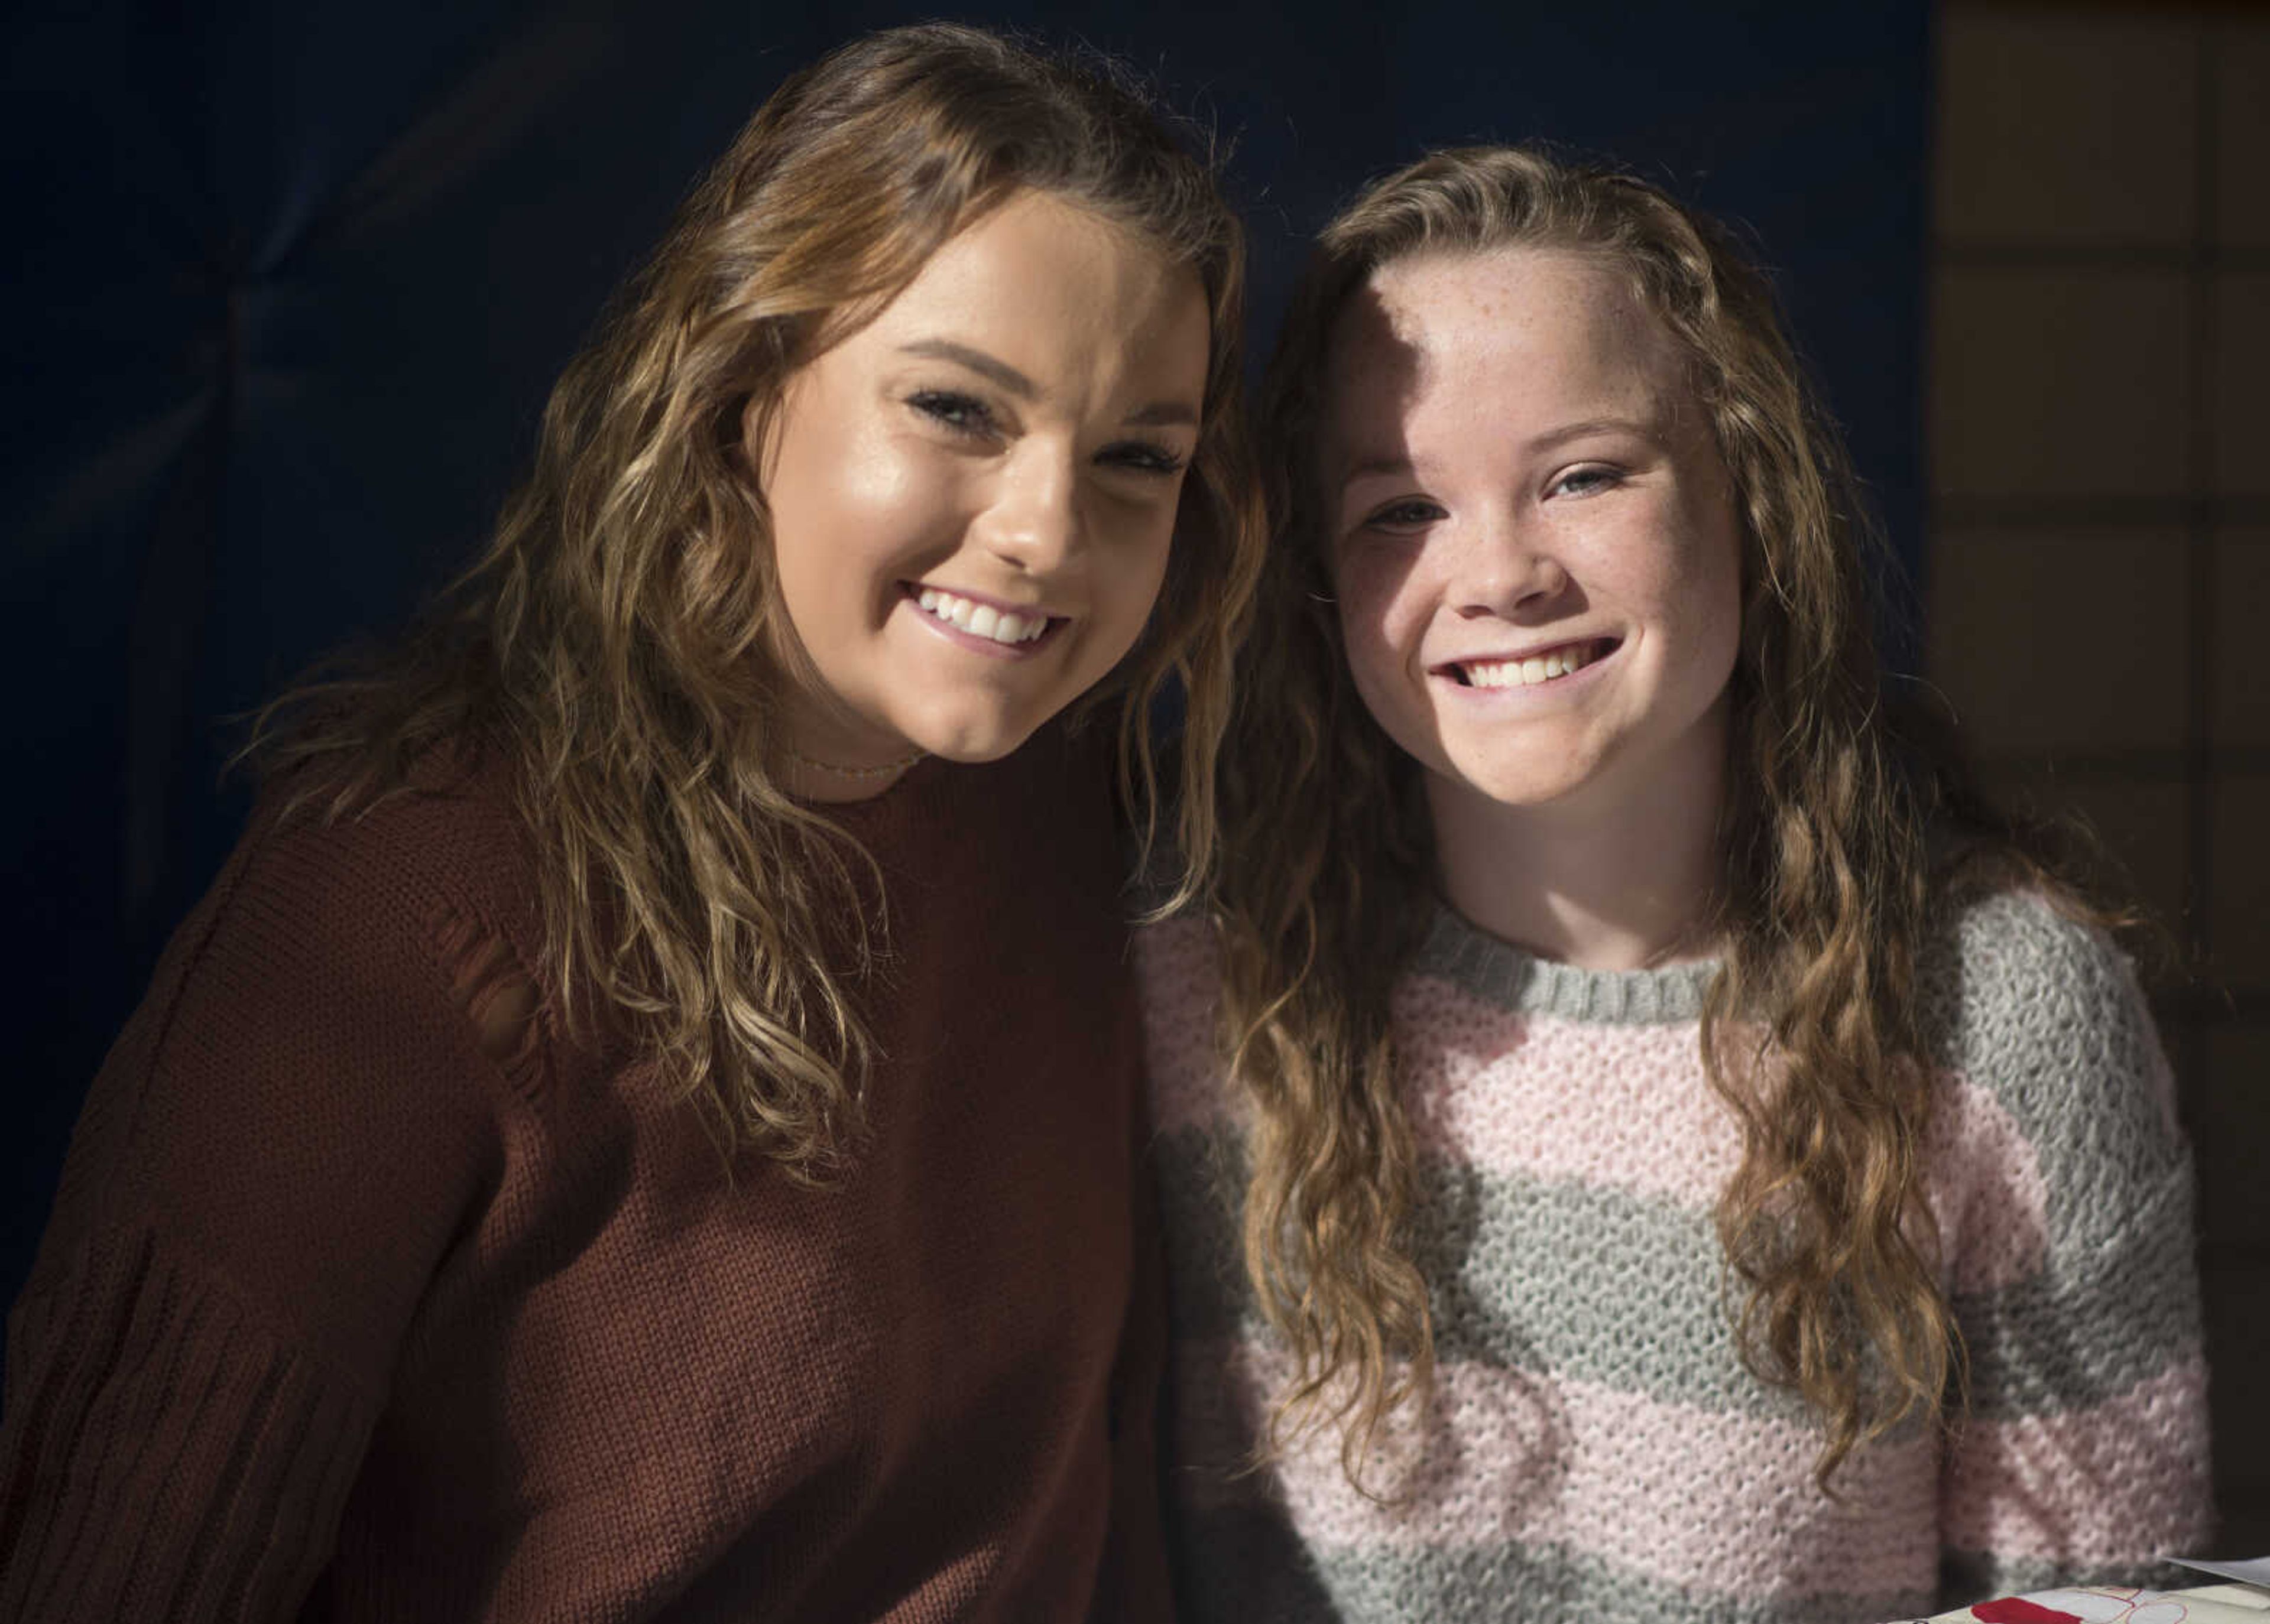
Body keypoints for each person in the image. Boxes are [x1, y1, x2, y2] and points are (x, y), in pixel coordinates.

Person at [0, 24, 1263, 1621]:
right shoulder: (405, 903)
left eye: (1137, 455)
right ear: (747, 388)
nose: (1047, 528)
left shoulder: (1083, 822)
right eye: (957, 408)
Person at [1139, 145, 2211, 1623]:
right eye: (1402, 508)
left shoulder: (1996, 1013)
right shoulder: (1205, 996)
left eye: (1583, 476)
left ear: (1749, 500)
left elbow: (2103, 1609)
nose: (1499, 572)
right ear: (1320, 582)